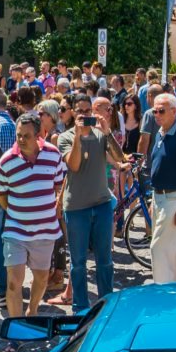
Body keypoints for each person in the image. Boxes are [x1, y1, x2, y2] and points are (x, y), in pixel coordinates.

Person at [0, 109, 66, 320]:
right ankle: (16, 326)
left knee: (42, 278)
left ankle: (32, 311)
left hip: (45, 230)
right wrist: (17, 213)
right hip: (16, 231)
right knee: (14, 281)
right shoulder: (7, 161)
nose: (21, 140)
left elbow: (60, 183)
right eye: (18, 135)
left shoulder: (53, 154)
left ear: (38, 136)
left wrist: (57, 203)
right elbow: (0, 195)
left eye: (26, 135)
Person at [58, 102, 121, 309]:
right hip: (76, 208)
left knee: (105, 261)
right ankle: (80, 307)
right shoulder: (65, 137)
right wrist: (78, 136)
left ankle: (107, 304)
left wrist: (108, 132)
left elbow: (120, 158)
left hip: (102, 204)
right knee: (78, 263)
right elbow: (74, 165)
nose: (84, 115)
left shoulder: (101, 134)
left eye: (88, 111)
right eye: (80, 111)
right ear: (74, 113)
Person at [142, 91, 176, 284]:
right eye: (154, 111)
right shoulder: (160, 133)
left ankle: (161, 289)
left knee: (157, 247)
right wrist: (153, 200)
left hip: (173, 198)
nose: (156, 114)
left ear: (174, 111)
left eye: (161, 111)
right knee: (168, 249)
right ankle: (172, 286)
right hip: (159, 197)